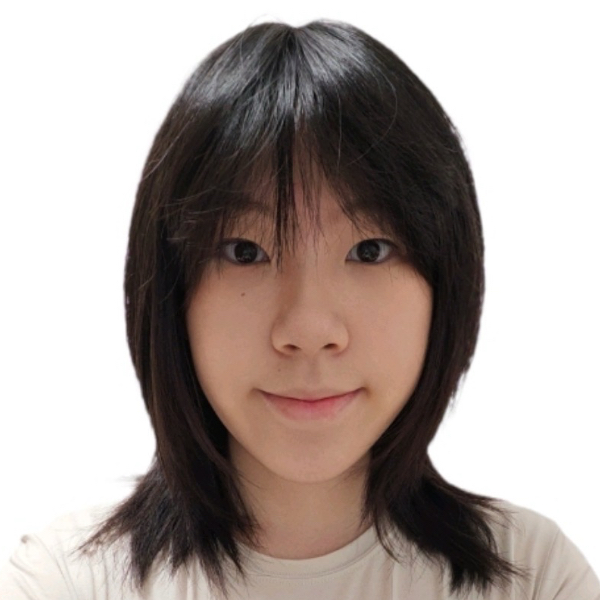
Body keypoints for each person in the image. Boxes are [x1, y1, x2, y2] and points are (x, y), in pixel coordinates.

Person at [1, 19, 599, 600]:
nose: (308, 329)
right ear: (170, 292)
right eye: (246, 251)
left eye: (370, 249)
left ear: (447, 284)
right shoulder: (66, 583)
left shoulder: (532, 579)